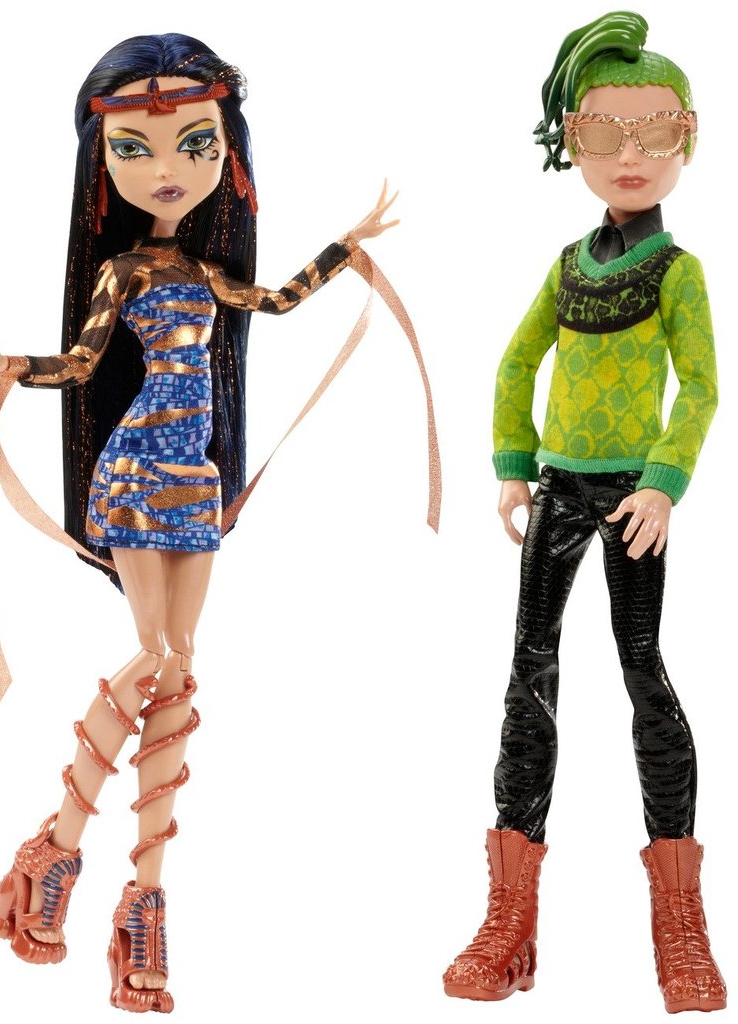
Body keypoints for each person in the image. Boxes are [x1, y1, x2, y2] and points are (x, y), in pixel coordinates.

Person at [0, 32, 403, 1014]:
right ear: (104, 163)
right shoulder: (120, 271)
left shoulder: (203, 273)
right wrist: (10, 366)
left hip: (195, 478)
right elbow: (82, 364)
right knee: (155, 652)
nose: (167, 168)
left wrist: (348, 248)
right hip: (134, 467)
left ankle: (136, 894)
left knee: (180, 661)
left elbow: (274, 301)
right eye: (136, 148)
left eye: (195, 145)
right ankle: (63, 850)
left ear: (226, 155)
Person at [442, 12, 725, 1013]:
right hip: (559, 493)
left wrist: (662, 482)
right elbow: (516, 361)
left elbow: (701, 387)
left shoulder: (677, 273)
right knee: (529, 674)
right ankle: (507, 917)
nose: (630, 155)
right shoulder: (567, 266)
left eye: (656, 131)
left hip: (631, 502)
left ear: (689, 135)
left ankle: (681, 919)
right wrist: (512, 464)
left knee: (643, 670)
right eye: (604, 133)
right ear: (571, 141)